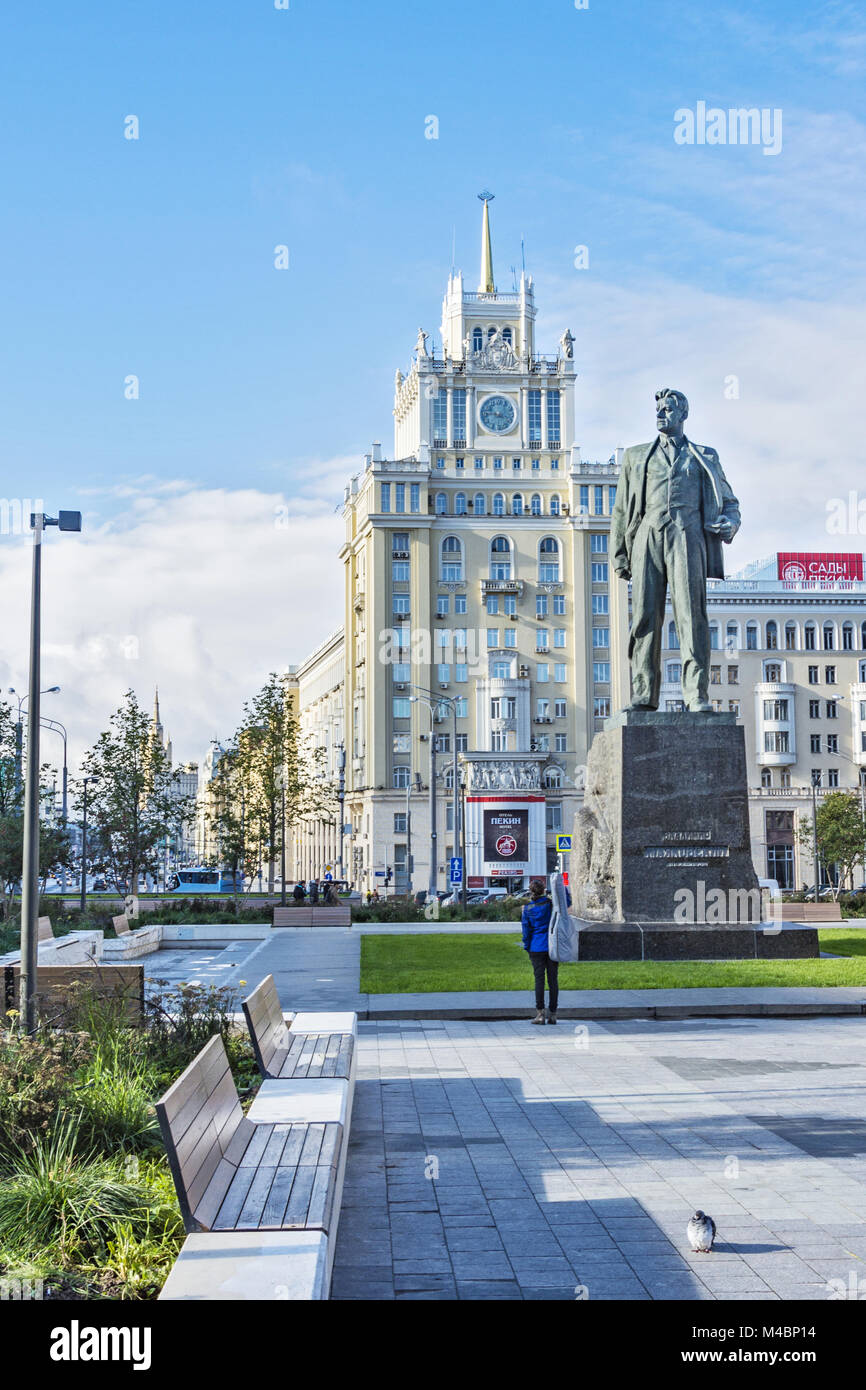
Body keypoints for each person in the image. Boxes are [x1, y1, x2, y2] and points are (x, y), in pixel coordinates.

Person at [521, 880, 558, 1024]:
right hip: (551, 946)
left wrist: (527, 946)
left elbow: (526, 931)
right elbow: (566, 902)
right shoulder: (550, 905)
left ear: (531, 891)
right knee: (553, 980)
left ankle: (540, 1014)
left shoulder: (528, 909)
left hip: (536, 947)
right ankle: (553, 1014)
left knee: (539, 980)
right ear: (543, 890)